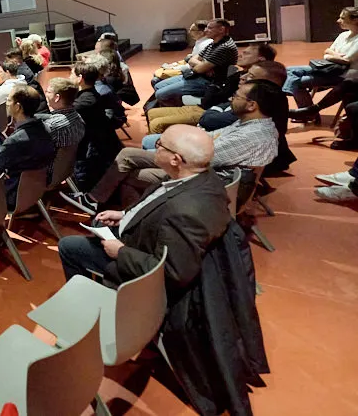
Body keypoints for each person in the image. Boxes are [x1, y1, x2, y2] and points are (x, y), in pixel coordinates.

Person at [65, 79, 281, 213]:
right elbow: (209, 137)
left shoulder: (253, 135)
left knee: (131, 175)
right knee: (128, 154)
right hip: (201, 169)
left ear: (252, 105)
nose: (232, 98)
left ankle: (131, 222)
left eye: (237, 96)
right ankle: (95, 201)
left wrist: (170, 148)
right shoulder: (249, 123)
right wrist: (172, 145)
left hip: (204, 181)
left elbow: (202, 157)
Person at [56, 125, 231, 291]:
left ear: (175, 159)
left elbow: (172, 273)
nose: (156, 148)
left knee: (68, 246)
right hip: (142, 238)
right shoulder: (197, 175)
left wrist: (121, 252)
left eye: (160, 144)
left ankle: (92, 299)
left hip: (136, 258)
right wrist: (124, 214)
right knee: (98, 222)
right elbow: (155, 202)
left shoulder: (185, 214)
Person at [145, 43, 277, 134]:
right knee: (152, 113)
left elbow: (223, 101)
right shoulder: (239, 74)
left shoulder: (254, 85)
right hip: (207, 106)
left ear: (261, 59)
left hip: (209, 112)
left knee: (157, 122)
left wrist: (213, 93)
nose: (240, 55)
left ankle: (160, 153)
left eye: (246, 53)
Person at [284, 7, 358, 109]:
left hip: (342, 74)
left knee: (298, 82)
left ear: (355, 20)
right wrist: (333, 55)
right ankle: (286, 93)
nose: (338, 21)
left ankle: (307, 111)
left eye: (343, 18)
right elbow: (327, 51)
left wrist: (330, 56)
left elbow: (346, 60)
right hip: (328, 67)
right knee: (289, 70)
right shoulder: (343, 35)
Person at [153, 20, 239, 106]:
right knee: (157, 86)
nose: (205, 30)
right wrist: (205, 66)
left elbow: (198, 69)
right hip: (198, 76)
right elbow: (192, 60)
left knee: (160, 94)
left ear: (221, 30)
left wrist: (202, 66)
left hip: (208, 82)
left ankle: (183, 106)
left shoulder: (224, 47)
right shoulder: (214, 43)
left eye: (210, 28)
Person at [71, 59, 124, 191]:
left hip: (91, 152)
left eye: (71, 74)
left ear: (80, 78)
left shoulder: (84, 101)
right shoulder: (89, 94)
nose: (69, 77)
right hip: (97, 146)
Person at [37, 78, 85, 149]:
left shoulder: (51, 125)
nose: (46, 95)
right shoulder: (78, 117)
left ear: (57, 97)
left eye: (48, 92)